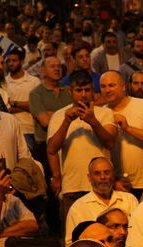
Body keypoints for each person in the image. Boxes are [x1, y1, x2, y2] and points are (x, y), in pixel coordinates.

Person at [46, 74, 116, 221]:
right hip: (72, 186)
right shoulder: (59, 116)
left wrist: (93, 121)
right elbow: (51, 149)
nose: (83, 95)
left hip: (101, 185)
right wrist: (66, 122)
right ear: (70, 92)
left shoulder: (105, 113)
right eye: (79, 90)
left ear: (93, 91)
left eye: (87, 90)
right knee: (73, 236)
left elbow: (110, 143)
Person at [99, 71, 143, 192]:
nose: (107, 90)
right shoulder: (101, 113)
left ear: (123, 87)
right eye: (103, 86)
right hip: (118, 184)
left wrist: (128, 128)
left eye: (112, 85)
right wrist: (114, 180)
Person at [63, 155, 137, 237]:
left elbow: (138, 231)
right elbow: (71, 243)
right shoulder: (78, 208)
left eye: (107, 172)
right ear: (89, 177)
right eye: (97, 173)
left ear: (113, 175)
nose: (102, 177)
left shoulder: (129, 200)